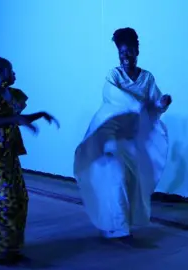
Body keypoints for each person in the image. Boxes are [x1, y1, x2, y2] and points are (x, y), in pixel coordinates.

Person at [73, 28, 172, 240]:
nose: (125, 56)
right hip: (111, 139)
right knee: (116, 177)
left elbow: (154, 104)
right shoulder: (113, 76)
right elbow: (114, 100)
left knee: (133, 182)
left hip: (132, 141)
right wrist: (139, 105)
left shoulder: (146, 78)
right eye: (121, 53)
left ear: (137, 51)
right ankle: (118, 227)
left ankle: (122, 223)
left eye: (129, 52)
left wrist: (161, 103)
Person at [0, 57, 59, 266]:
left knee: (20, 198)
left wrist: (40, 115)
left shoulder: (12, 94)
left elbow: (19, 117)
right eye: (10, 70)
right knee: (4, 197)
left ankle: (11, 247)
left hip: (7, 149)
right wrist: (18, 120)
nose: (14, 74)